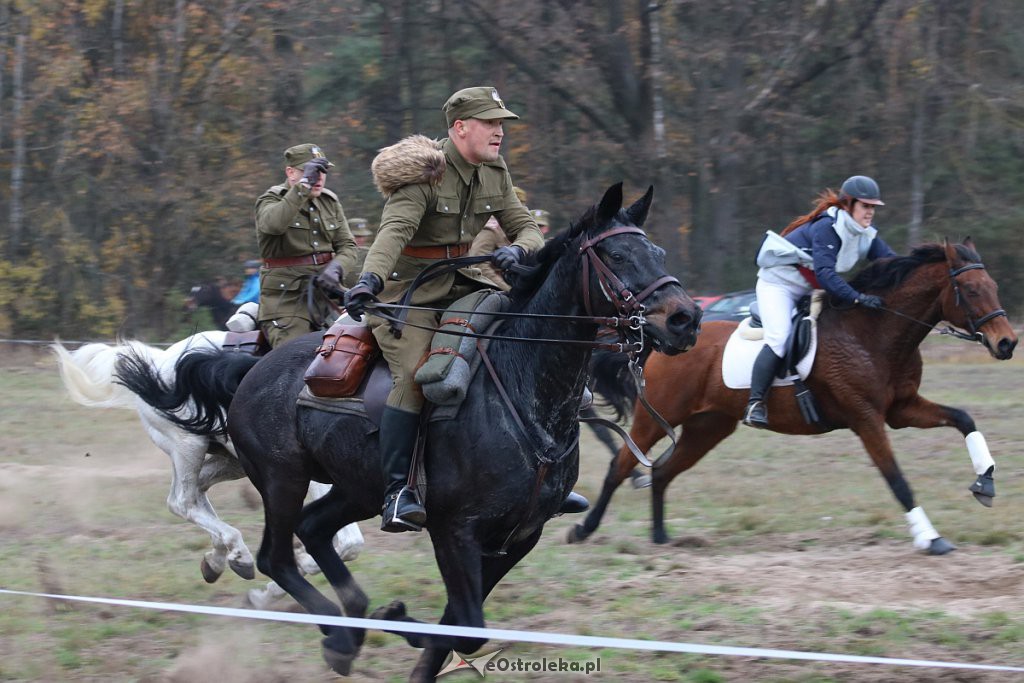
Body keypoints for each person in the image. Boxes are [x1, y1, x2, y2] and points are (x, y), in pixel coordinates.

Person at [345, 86, 566, 532]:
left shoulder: (495, 171)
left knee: (527, 345)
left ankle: (544, 476)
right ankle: (397, 492)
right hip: (408, 295)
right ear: (461, 127)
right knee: (415, 376)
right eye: (491, 123)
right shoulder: (423, 175)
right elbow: (392, 233)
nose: (500, 132)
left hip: (470, 285)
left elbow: (527, 228)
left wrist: (519, 251)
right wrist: (369, 280)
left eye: (503, 123)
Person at [743, 174, 897, 428]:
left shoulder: (864, 234)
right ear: (847, 205)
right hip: (778, 286)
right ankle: (755, 403)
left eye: (873, 207)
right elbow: (826, 274)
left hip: (808, 290)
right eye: (865, 206)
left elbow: (890, 263)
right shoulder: (827, 227)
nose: (870, 213)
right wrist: (857, 298)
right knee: (779, 338)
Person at [254, 143, 358, 348]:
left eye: (321, 171)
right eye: (310, 171)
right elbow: (273, 225)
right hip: (287, 302)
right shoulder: (271, 199)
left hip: (328, 297)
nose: (317, 177)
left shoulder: (329, 201)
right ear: (290, 172)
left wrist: (337, 268)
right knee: (295, 359)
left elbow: (348, 246)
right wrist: (302, 187)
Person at [344, 218, 376, 288]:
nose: (361, 240)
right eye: (357, 236)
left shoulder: (370, 253)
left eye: (363, 236)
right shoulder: (339, 254)